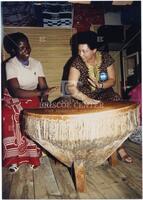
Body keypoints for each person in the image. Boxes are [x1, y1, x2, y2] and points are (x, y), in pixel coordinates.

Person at [54, 31, 132, 163]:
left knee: (115, 103)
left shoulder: (106, 58)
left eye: (84, 51)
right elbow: (71, 87)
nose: (80, 54)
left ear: (94, 50)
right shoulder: (76, 63)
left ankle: (120, 147)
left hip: (103, 92)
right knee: (63, 105)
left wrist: (100, 85)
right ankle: (76, 151)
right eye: (79, 51)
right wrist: (85, 99)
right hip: (82, 94)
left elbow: (112, 80)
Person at [2, 32, 53, 173]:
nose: (26, 51)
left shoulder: (37, 64)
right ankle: (13, 159)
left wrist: (45, 99)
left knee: (34, 114)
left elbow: (43, 86)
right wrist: (40, 93)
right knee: (8, 114)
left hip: (32, 96)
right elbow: (16, 91)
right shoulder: (10, 65)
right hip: (15, 98)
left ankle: (33, 156)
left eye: (27, 46)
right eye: (21, 48)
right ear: (13, 51)